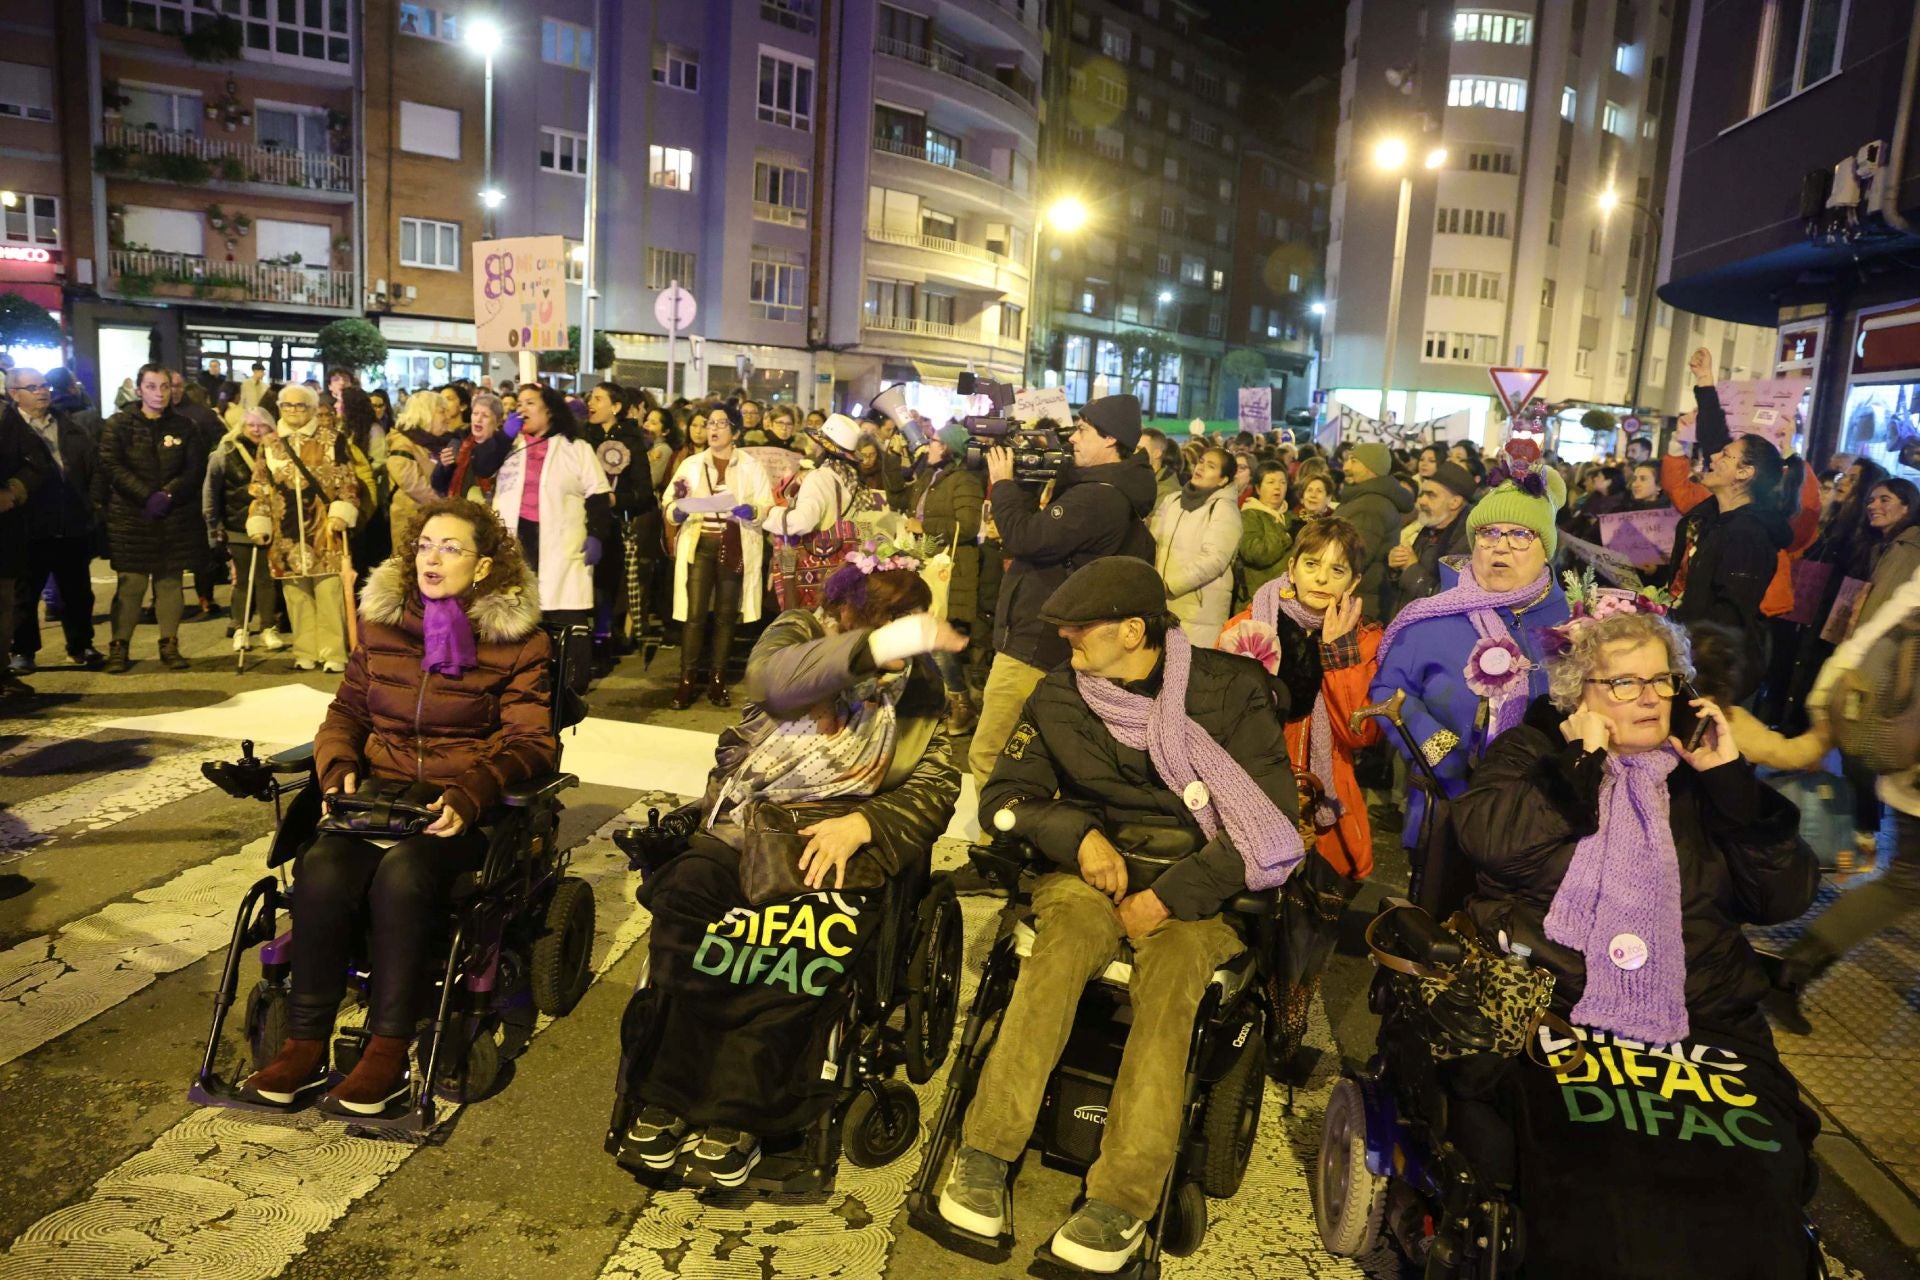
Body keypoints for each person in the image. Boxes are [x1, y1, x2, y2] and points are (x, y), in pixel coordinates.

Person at [938, 557, 1304, 1273]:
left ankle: (1123, 1201)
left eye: (1080, 627)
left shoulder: (1230, 691)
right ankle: (984, 1153)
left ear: (1133, 631)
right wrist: (1077, 835)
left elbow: (1268, 823)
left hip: (1199, 886)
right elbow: (1006, 798)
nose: (1065, 637)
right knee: (1061, 946)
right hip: (1089, 873)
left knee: (1173, 982)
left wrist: (1169, 896)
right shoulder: (1059, 694)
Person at [1451, 596, 1818, 1280]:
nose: (1648, 697)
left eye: (1661, 680)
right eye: (1623, 682)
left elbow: (1781, 899)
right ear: (1579, 694)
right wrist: (1579, 766)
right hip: (1559, 1006)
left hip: (1702, 1016)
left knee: (1752, 1194)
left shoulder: (1701, 775)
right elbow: (1489, 840)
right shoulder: (1536, 752)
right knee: (1595, 1192)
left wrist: (1732, 786)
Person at [614, 554, 964, 1187]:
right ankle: (668, 1096)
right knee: (688, 911)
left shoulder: (921, 689)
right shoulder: (799, 634)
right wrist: (870, 651)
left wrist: (868, 824)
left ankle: (738, 1114)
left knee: (791, 948)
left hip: (830, 839)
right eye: (891, 623)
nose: (904, 642)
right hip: (742, 827)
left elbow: (937, 785)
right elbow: (772, 681)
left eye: (912, 626)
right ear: (849, 614)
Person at [240, 498, 556, 1115]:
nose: (432, 558)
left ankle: (387, 1051)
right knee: (321, 868)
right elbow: (346, 713)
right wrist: (338, 766)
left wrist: (471, 793)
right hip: (377, 799)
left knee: (404, 875)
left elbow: (531, 743)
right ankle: (304, 1044)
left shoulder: (518, 643)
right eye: (425, 545)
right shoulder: (384, 625)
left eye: (451, 548)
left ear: (483, 566)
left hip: (459, 806)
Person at [1369, 444, 1571, 843]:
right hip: (1446, 809)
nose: (1500, 545)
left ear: (1545, 549)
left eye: (1520, 534)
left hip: (1545, 817)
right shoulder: (1432, 617)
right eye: (1488, 532)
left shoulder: (1574, 625)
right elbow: (1387, 689)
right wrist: (1436, 747)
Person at [1760, 561, 1920, 1033]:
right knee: (1905, 883)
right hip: (1911, 762)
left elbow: (1876, 627)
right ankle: (1790, 971)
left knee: (1904, 883)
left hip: (1909, 757)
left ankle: (1791, 971)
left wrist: (1826, 701)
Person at [969, 394, 1158, 791]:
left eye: (1083, 431)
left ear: (1110, 439)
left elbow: (1025, 537)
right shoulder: (1106, 489)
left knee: (991, 755)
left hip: (1036, 646)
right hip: (1052, 642)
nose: (1072, 438)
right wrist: (1029, 476)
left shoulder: (1098, 497)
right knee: (1035, 760)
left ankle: (1003, 829)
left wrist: (1003, 484)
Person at [1221, 518, 1381, 878]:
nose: (1321, 579)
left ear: (1354, 581)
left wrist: (1338, 655)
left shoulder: (1365, 641)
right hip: (1252, 791)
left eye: (1337, 570)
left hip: (1326, 795)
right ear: (1292, 568)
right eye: (1312, 564)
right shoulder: (1248, 626)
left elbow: (1361, 733)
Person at [244, 384, 360, 673]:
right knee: (296, 597)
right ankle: (305, 650)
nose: (294, 410)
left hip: (324, 529)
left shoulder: (332, 439)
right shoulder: (269, 443)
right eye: (287, 405)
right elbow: (260, 486)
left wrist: (342, 512)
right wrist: (259, 520)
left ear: (312, 409)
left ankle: (334, 652)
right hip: (285, 531)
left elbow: (348, 481)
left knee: (329, 593)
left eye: (300, 405)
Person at [100, 365, 206, 674]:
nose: (159, 393)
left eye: (165, 386)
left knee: (170, 582)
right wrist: (146, 495)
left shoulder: (186, 426)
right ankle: (119, 647)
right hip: (130, 517)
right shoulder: (119, 424)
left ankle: (169, 645)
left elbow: (194, 468)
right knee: (131, 584)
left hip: (174, 516)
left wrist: (169, 494)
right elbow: (110, 464)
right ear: (139, 390)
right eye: (151, 386)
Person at [665, 405, 772, 709]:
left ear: (735, 431)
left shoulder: (751, 466)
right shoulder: (691, 464)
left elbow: (765, 505)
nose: (712, 429)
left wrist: (753, 511)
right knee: (695, 614)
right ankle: (687, 680)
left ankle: (717, 679)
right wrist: (677, 511)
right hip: (700, 544)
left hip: (734, 545)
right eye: (710, 423)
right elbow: (670, 502)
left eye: (720, 424)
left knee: (726, 615)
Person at [491, 384, 614, 642]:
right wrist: (502, 438)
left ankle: (567, 666)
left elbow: (599, 497)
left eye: (530, 403)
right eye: (519, 403)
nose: (522, 409)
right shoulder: (510, 446)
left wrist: (596, 535)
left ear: (549, 410)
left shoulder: (576, 448)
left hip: (561, 544)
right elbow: (482, 466)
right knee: (516, 612)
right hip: (516, 539)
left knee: (563, 614)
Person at [6, 368, 100, 676]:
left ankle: (81, 645)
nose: (42, 391)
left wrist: (92, 504)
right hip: (28, 524)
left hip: (70, 519)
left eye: (44, 385)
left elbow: (93, 466)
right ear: (14, 393)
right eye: (32, 387)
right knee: (25, 594)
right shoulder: (8, 429)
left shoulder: (68, 425)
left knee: (78, 591)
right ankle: (23, 650)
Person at [904, 423, 986, 734]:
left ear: (949, 448)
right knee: (924, 633)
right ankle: (943, 701)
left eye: (935, 441)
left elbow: (967, 525)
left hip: (949, 571)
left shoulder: (964, 480)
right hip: (925, 565)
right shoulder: (930, 476)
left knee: (935, 634)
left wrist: (924, 527)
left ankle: (962, 703)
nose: (929, 445)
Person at [1148, 444, 1242, 648]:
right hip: (1162, 604)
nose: (1201, 467)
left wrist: (1170, 585)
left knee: (1189, 665)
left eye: (1211, 466)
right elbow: (1153, 541)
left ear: (1223, 480)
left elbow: (1214, 560)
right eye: (1201, 461)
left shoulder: (1223, 510)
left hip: (1198, 613)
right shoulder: (1172, 500)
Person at [217, 406, 285, 653]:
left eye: (262, 425)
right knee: (242, 579)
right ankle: (240, 627)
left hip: (271, 523)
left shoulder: (277, 449)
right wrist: (215, 524)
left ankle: (268, 626)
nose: (256, 430)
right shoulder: (227, 451)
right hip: (237, 524)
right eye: (251, 425)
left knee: (266, 579)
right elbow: (214, 489)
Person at [1335, 441, 1414, 621]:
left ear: (1372, 467)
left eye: (1354, 461)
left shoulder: (1370, 506)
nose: (1346, 467)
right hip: (1358, 601)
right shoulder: (1365, 500)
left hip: (1357, 606)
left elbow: (1352, 558)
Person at [1389, 460, 1475, 607]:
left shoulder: (1466, 542)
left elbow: (1450, 599)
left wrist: (1411, 569)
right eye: (1422, 493)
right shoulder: (1431, 527)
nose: (1421, 500)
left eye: (1431, 495)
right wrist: (1398, 565)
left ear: (1455, 502)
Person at [1856, 477, 1920, 629]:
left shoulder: (1906, 547)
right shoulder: (1882, 545)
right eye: (1870, 501)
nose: (1872, 506)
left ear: (1906, 507)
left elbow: (1880, 601)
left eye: (1884, 500)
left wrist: (1859, 638)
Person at [386, 386, 448, 532]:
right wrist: (447, 505)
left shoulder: (436, 442)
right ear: (425, 413)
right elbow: (414, 486)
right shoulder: (403, 444)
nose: (447, 417)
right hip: (413, 521)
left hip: (435, 517)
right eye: (441, 412)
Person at [1233, 460, 1292, 612]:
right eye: (1271, 482)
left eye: (1282, 482)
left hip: (1286, 600)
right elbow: (1256, 553)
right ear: (1258, 488)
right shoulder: (1249, 515)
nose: (1277, 487)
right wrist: (1285, 536)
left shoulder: (1291, 517)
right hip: (1256, 600)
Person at [433, 390, 510, 503]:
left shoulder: (503, 447)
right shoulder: (458, 441)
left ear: (498, 421)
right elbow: (438, 485)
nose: (478, 419)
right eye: (475, 413)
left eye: (485, 415)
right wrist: (444, 467)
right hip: (456, 506)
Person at [1137, 428, 1181, 505]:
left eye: (1139, 449)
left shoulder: (1167, 491)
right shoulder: (1138, 477)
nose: (1133, 453)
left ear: (1157, 453)